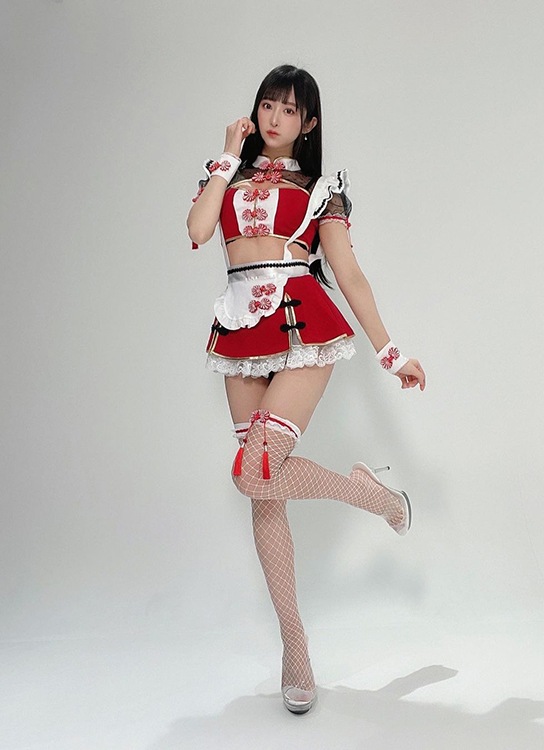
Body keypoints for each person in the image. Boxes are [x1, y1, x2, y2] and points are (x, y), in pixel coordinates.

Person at [186, 64, 426, 715]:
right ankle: (295, 646)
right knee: (263, 490)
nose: (275, 117)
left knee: (257, 469)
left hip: (301, 323)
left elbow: (348, 273)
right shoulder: (226, 175)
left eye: (290, 110)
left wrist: (391, 352)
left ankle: (376, 498)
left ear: (309, 122)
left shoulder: (321, 189)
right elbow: (199, 232)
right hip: (239, 330)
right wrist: (227, 154)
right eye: (268, 104)